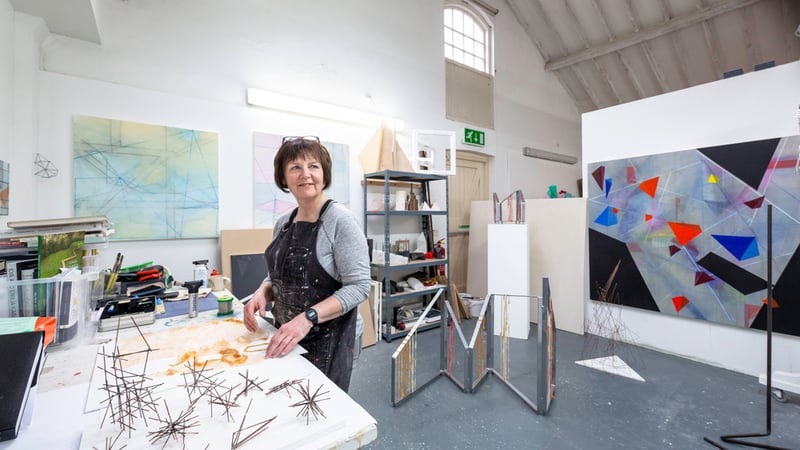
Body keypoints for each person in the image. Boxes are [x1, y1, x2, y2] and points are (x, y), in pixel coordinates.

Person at [243, 135, 371, 393]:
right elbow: (277, 275)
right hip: (287, 334)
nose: (306, 174)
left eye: (313, 166)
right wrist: (262, 291)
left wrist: (308, 317)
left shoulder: (340, 221)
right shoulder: (283, 222)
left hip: (330, 339)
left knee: (322, 410)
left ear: (324, 174)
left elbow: (359, 287)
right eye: (295, 167)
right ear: (283, 178)